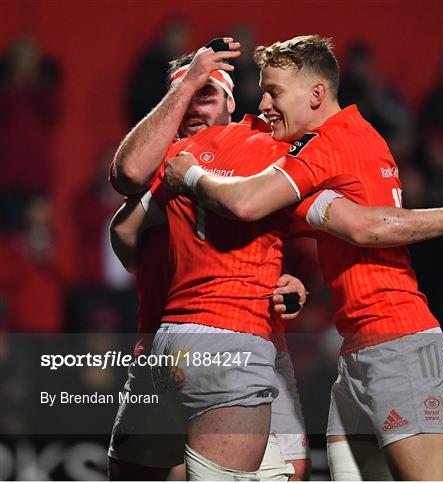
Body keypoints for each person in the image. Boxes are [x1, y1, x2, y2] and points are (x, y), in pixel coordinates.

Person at [163, 35, 443, 480]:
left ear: (317, 94)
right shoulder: (354, 136)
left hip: (396, 338)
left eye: (275, 91)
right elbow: (344, 223)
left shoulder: (327, 145)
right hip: (360, 347)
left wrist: (193, 175)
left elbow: (342, 222)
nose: (265, 104)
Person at [108, 43, 310, 481]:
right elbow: (123, 198)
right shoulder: (168, 158)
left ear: (232, 102)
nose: (194, 107)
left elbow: (123, 234)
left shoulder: (259, 145)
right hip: (185, 343)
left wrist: (286, 283)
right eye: (184, 95)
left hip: (252, 342)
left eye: (206, 94)